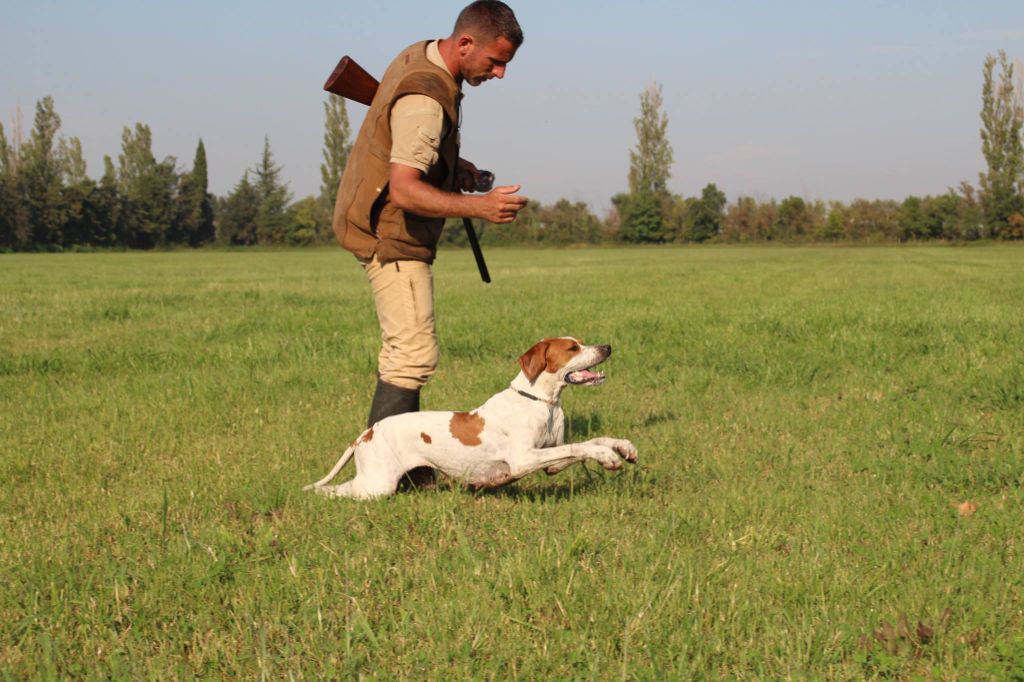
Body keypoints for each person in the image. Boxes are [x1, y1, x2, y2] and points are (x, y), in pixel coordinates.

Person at [332, 2, 527, 461]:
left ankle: (403, 465)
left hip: (374, 217)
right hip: (391, 231)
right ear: (464, 44)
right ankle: (385, 468)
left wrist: (449, 165)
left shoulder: (418, 55)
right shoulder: (426, 96)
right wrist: (480, 206)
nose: (499, 74)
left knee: (406, 352)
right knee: (411, 354)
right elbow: (403, 190)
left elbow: (401, 135)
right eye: (495, 62)